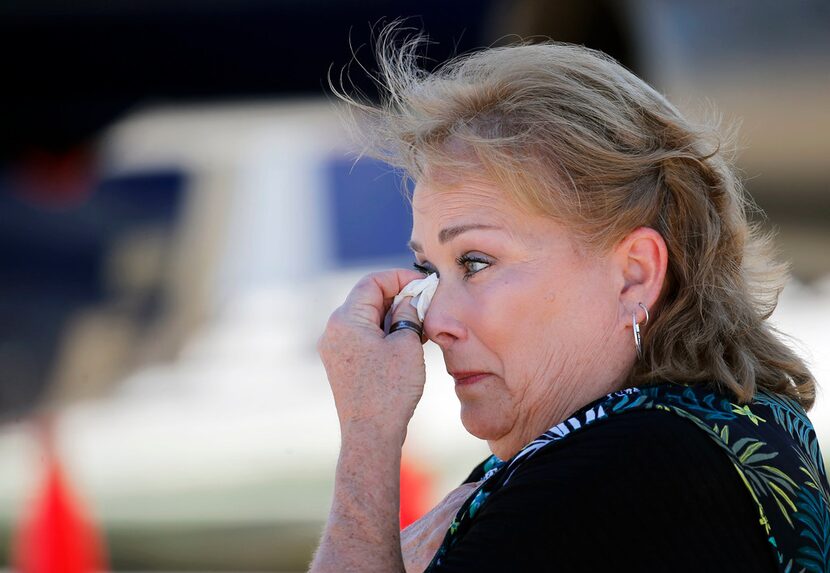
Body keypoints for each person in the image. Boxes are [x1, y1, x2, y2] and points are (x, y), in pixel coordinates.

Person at [309, 27, 830, 573]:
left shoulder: (625, 469)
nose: (433, 320)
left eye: (475, 262)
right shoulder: (716, 432)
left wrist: (369, 430)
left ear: (634, 274)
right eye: (428, 270)